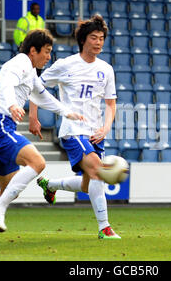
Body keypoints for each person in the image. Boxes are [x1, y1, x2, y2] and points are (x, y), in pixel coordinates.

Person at [0, 29, 83, 233]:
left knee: (7, 190)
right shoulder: (20, 63)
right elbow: (8, 84)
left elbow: (42, 96)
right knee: (37, 163)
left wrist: (66, 112)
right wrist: (11, 105)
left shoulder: (31, 71)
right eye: (46, 51)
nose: (48, 56)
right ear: (33, 50)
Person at [31, 15, 121, 239]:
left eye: (101, 38)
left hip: (95, 133)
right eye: (93, 38)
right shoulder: (66, 65)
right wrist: (33, 116)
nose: (98, 42)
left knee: (87, 184)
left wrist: (105, 128)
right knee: (99, 172)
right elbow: (36, 87)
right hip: (72, 130)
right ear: (83, 40)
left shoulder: (106, 69)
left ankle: (50, 185)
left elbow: (111, 104)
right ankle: (105, 228)